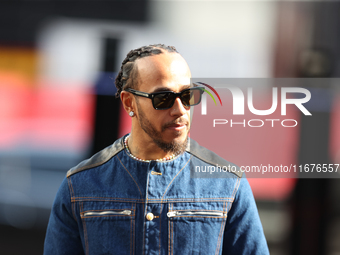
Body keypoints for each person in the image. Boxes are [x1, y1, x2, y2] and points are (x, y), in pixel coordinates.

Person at [44, 44, 269, 254]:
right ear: (129, 102)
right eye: (164, 98)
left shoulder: (227, 184)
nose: (180, 110)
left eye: (188, 95)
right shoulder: (80, 186)